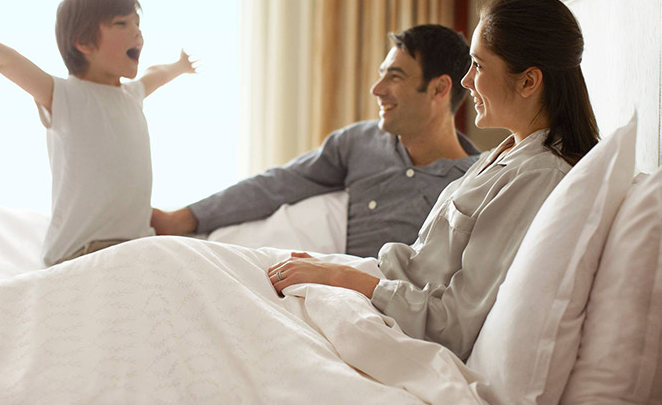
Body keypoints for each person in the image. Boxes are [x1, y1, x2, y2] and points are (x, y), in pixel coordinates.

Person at [266, 0, 599, 360]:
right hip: (378, 292)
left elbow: (452, 325)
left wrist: (343, 278)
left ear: (528, 81)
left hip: (392, 320)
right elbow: (417, 266)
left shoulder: (538, 176)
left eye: (479, 65)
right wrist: (335, 267)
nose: (466, 80)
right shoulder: (504, 156)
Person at [0, 0, 197, 266]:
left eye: (137, 23)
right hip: (81, 251)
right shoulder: (65, 97)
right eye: (122, 23)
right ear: (83, 42)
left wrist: (179, 66)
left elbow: (157, 73)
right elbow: (4, 60)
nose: (137, 32)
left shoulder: (133, 94)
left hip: (136, 243)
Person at [152, 24, 480, 258]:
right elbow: (278, 185)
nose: (376, 89)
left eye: (394, 77)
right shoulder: (360, 142)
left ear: (439, 89)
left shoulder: (474, 184)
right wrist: (183, 218)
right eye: (381, 74)